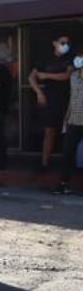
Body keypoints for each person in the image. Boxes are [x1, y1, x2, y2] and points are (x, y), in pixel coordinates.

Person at [29, 35, 73, 171]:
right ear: (54, 43)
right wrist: (39, 92)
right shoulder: (44, 59)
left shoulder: (71, 58)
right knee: (49, 131)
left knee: (69, 132)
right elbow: (31, 77)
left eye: (67, 43)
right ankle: (45, 163)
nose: (65, 45)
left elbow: (67, 75)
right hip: (50, 99)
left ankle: (68, 164)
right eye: (62, 42)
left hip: (68, 99)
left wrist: (47, 75)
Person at [54, 52, 83, 194]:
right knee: (67, 153)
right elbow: (72, 98)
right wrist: (66, 118)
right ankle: (63, 183)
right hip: (73, 120)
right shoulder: (74, 77)